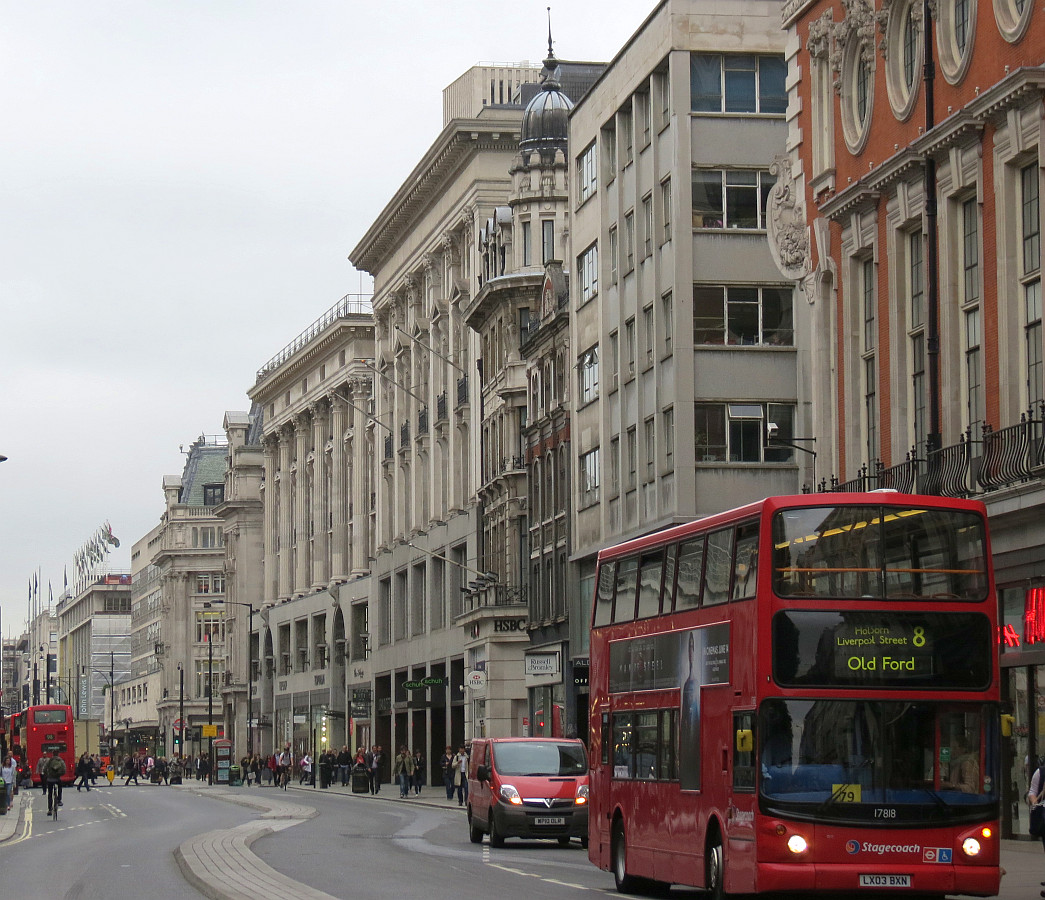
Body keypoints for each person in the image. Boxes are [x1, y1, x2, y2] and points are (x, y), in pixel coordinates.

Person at [43, 749, 66, 814]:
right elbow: (64, 769)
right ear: (58, 754)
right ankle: (59, 800)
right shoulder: (60, 761)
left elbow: (44, 769)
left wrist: (46, 775)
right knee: (60, 787)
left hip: (50, 779)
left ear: (52, 754)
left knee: (50, 794)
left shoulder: (49, 761)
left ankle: (50, 809)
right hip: (57, 778)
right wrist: (59, 774)